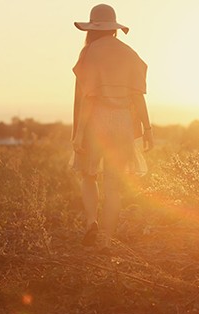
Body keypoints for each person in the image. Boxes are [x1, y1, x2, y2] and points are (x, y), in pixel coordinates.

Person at [70, 4, 153, 252]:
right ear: (114, 28)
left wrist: (80, 133)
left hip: (96, 122)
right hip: (123, 122)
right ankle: (106, 240)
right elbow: (139, 97)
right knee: (113, 185)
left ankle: (90, 223)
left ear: (92, 28)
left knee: (88, 174)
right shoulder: (129, 53)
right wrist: (148, 129)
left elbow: (88, 98)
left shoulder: (90, 53)